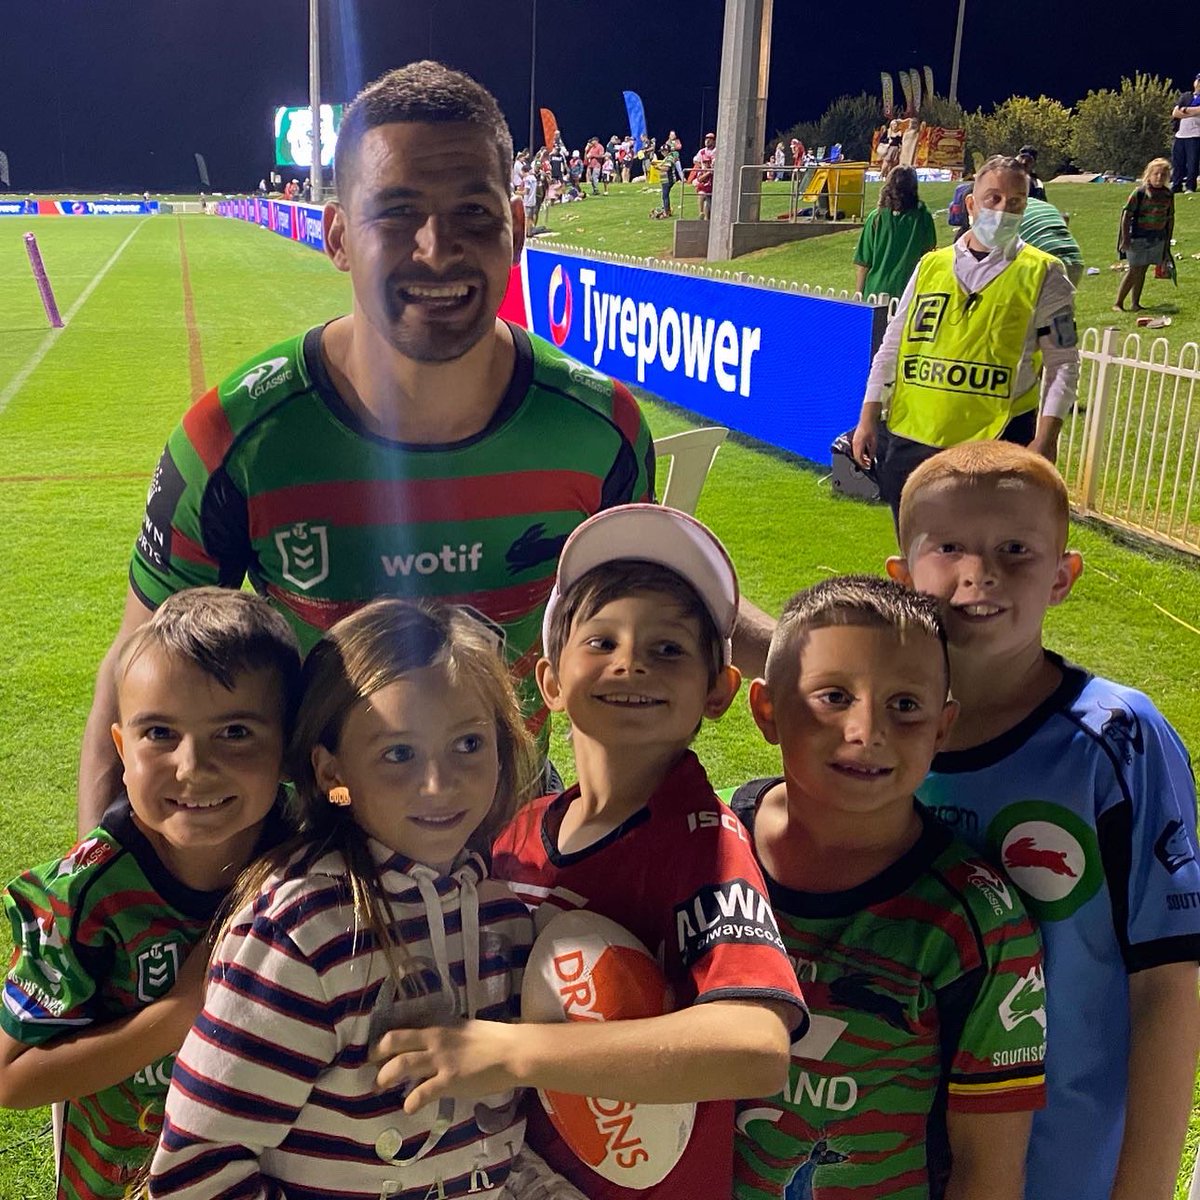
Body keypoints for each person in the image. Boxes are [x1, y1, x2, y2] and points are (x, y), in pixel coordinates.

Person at [76, 60, 660, 836]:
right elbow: (135, 677)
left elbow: (627, 652)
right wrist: (97, 895)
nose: (437, 248)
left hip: (510, 836)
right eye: (396, 213)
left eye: (473, 212)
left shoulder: (602, 432)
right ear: (338, 236)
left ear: (517, 229)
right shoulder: (232, 440)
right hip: (313, 845)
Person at [395, 504, 806, 1200]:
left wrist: (516, 1053)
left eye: (669, 649)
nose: (631, 662)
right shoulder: (517, 832)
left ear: (718, 690)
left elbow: (756, 1048)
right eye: (602, 640)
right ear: (550, 683)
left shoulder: (701, 844)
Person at [148, 598, 580, 1199]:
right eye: (399, 753)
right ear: (333, 774)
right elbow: (194, 1173)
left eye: (468, 744)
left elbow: (493, 1150)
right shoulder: (303, 931)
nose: (439, 783)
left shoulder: (502, 915)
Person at [887, 441, 1200, 1200]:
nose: (979, 573)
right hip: (887, 1156)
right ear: (901, 576)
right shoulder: (876, 738)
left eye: (1015, 550)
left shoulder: (1117, 740)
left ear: (1063, 576)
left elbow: (1169, 983)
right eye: (949, 547)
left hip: (1059, 1167)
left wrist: (1143, 1187)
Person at [731, 576, 1046, 1200]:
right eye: (834, 696)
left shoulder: (977, 924)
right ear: (767, 710)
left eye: (904, 705)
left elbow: (988, 1168)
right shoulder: (709, 845)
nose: (867, 730)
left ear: (942, 727)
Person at [0, 588, 300, 1200]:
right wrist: (181, 1013)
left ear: (290, 745)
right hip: (123, 1182)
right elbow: (11, 1078)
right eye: (160, 732)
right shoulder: (87, 892)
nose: (192, 766)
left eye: (235, 731)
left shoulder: (310, 856)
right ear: (121, 748)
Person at [851, 155, 1079, 518]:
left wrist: (1046, 439)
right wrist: (868, 416)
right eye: (993, 198)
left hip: (996, 442)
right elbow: (893, 342)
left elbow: (1063, 364)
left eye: (1015, 202)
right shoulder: (931, 265)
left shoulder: (1045, 273)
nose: (1003, 210)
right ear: (971, 204)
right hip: (914, 437)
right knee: (918, 548)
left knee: (981, 548)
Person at [852, 165, 937, 301]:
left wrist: (858, 296)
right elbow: (928, 256)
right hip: (908, 293)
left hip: (875, 292)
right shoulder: (923, 217)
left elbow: (864, 263)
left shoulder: (876, 218)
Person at [1115, 158, 1174, 313]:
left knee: (1143, 269)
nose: (1159, 177)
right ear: (1149, 175)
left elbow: (1170, 218)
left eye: (1163, 175)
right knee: (1134, 270)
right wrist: (1125, 239)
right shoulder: (1140, 193)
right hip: (1137, 237)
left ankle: (1135, 303)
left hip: (1156, 237)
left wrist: (1167, 242)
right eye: (1156, 174)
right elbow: (1126, 215)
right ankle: (1118, 303)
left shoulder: (1168, 194)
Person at [1019, 196, 1084, 288]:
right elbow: (1065, 217)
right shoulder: (1040, 205)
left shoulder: (1008, 210)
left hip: (1045, 259)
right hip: (1074, 258)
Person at [1170, 73, 1200, 194]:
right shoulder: (1186, 96)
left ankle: (1190, 187)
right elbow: (1175, 113)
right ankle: (1176, 186)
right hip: (1181, 134)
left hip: (1195, 135)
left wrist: (1186, 110)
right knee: (1178, 163)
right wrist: (1193, 111)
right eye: (1198, 81)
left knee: (1192, 163)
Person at [691, 131, 716, 220]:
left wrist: (710, 170)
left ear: (714, 141)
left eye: (710, 139)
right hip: (705, 179)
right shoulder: (702, 152)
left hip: (714, 179)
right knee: (702, 194)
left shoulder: (716, 151)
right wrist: (702, 167)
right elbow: (695, 160)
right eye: (706, 139)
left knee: (709, 202)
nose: (707, 141)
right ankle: (701, 213)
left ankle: (707, 217)